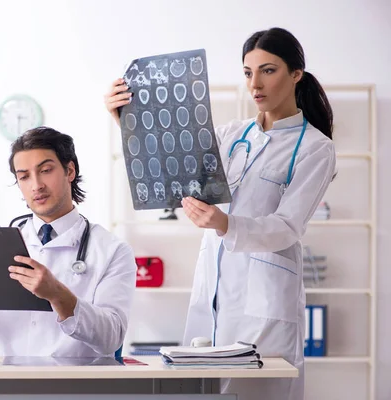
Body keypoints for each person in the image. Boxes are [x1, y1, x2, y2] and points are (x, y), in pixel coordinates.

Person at [104, 27, 336, 400]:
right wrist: (127, 119)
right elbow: (172, 167)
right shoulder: (231, 135)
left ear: (296, 74)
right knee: (202, 390)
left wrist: (225, 224)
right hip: (212, 290)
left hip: (265, 303)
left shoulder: (314, 148)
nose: (255, 83)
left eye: (268, 70)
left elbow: (287, 227)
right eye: (247, 72)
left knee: (256, 393)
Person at [0, 126, 137, 358]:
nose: (36, 185)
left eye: (46, 170)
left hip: (72, 387)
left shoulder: (112, 251)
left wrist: (58, 295)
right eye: (24, 176)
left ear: (70, 171)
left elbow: (111, 339)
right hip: (3, 387)